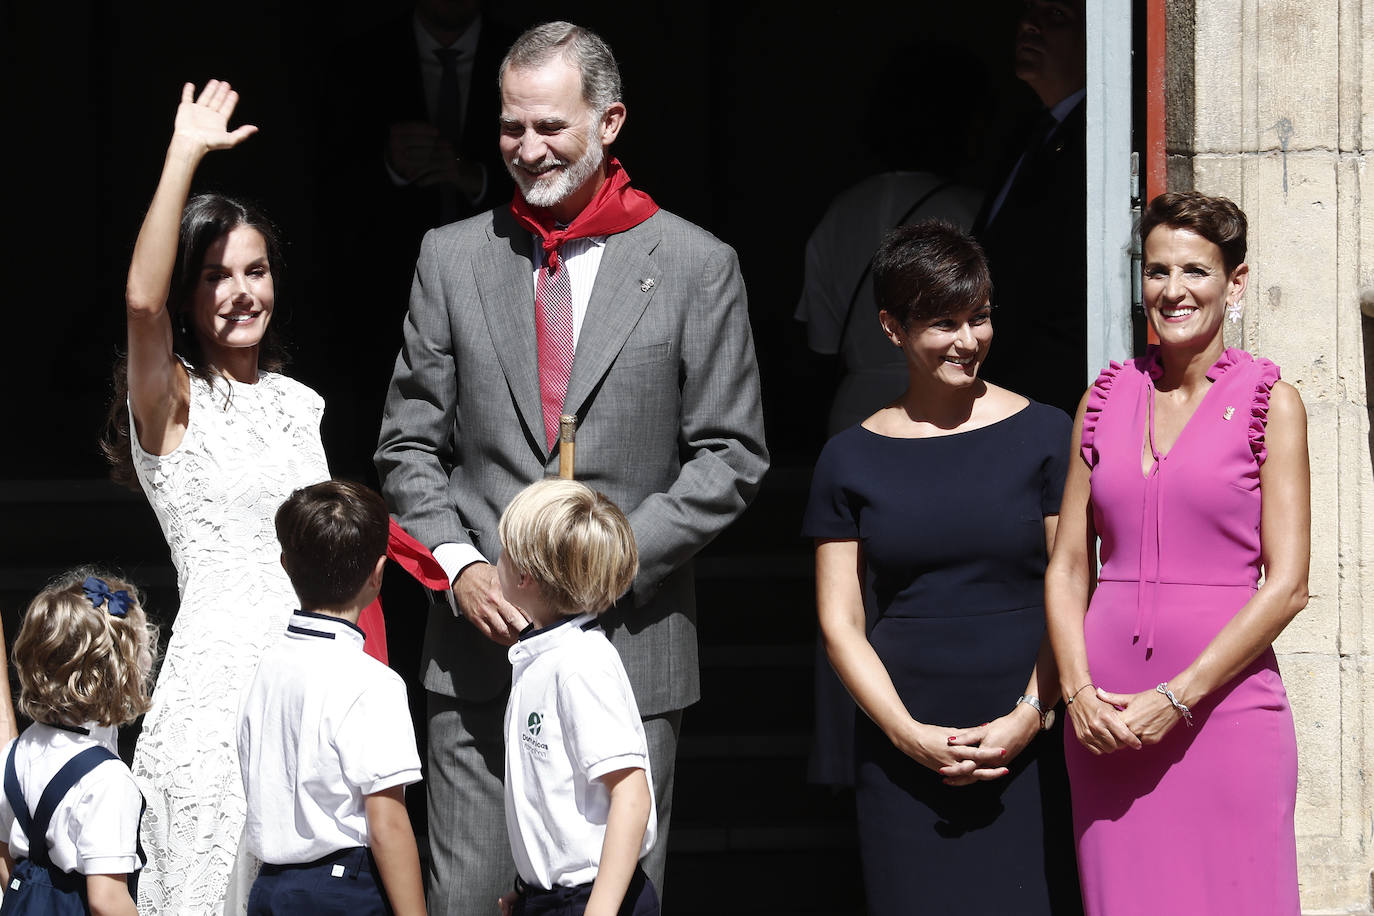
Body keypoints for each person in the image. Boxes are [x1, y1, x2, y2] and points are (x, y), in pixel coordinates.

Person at [375, 21, 768, 913]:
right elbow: (407, 445)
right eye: (512, 127)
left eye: (550, 126)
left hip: (627, 650)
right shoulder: (452, 257)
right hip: (478, 654)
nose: (527, 148)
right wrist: (460, 568)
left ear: (610, 121)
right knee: (471, 897)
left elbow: (732, 454)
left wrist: (604, 565)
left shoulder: (697, 266)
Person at [803, 221, 1081, 915]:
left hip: (1033, 738)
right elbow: (840, 621)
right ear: (891, 328)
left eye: (979, 317)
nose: (968, 341)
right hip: (904, 742)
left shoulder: (1048, 434)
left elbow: (1074, 585)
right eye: (943, 323)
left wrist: (1033, 712)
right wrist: (905, 734)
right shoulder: (848, 458)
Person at [1045, 191, 1309, 915]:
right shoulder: (1103, 397)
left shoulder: (1270, 400)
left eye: (1195, 270)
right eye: (1157, 271)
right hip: (1105, 724)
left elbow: (1287, 585)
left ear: (1237, 280)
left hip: (1224, 716)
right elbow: (1069, 565)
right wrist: (1076, 693)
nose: (1173, 290)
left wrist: (1178, 698)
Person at [102, 80, 331, 913]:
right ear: (191, 298)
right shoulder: (172, 403)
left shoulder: (301, 405)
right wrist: (184, 154)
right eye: (216, 276)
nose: (242, 292)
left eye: (256, 270)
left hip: (305, 695)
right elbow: (139, 299)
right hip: (213, 710)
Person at [238, 480, 424, 916]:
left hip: (270, 888)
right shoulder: (374, 683)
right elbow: (388, 824)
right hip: (344, 892)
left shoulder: (264, 668)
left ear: (285, 566)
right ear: (378, 574)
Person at [494, 479, 658, 916]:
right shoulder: (543, 655)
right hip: (555, 897)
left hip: (592, 900)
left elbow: (632, 795)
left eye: (505, 551)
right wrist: (534, 888)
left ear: (525, 576)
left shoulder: (581, 665)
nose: (498, 559)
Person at [0, 569, 159, 916]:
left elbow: (4, 852)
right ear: (119, 673)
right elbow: (106, 900)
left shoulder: (15, 753)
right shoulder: (107, 781)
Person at [973, 0, 1088, 415]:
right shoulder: (1029, 133)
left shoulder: (1097, 139)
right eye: (1028, 12)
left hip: (1054, 391)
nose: (1030, 26)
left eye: (1056, 15)